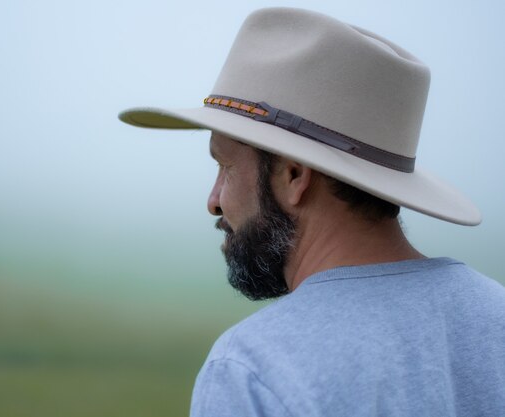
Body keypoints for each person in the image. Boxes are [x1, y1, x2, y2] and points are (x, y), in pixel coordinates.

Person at [119, 7, 505, 417]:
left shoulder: (254, 369)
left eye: (225, 167)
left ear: (293, 175)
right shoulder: (496, 318)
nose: (213, 200)